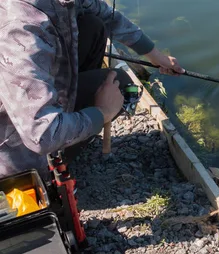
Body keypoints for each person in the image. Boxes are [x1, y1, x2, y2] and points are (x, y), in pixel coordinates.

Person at [0, 0, 185, 179]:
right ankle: (57, 160)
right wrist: (102, 112)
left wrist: (155, 55)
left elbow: (105, 14)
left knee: (92, 26)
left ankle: (73, 125)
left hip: (31, 106)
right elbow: (42, 135)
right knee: (121, 85)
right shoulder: (20, 30)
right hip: (20, 156)